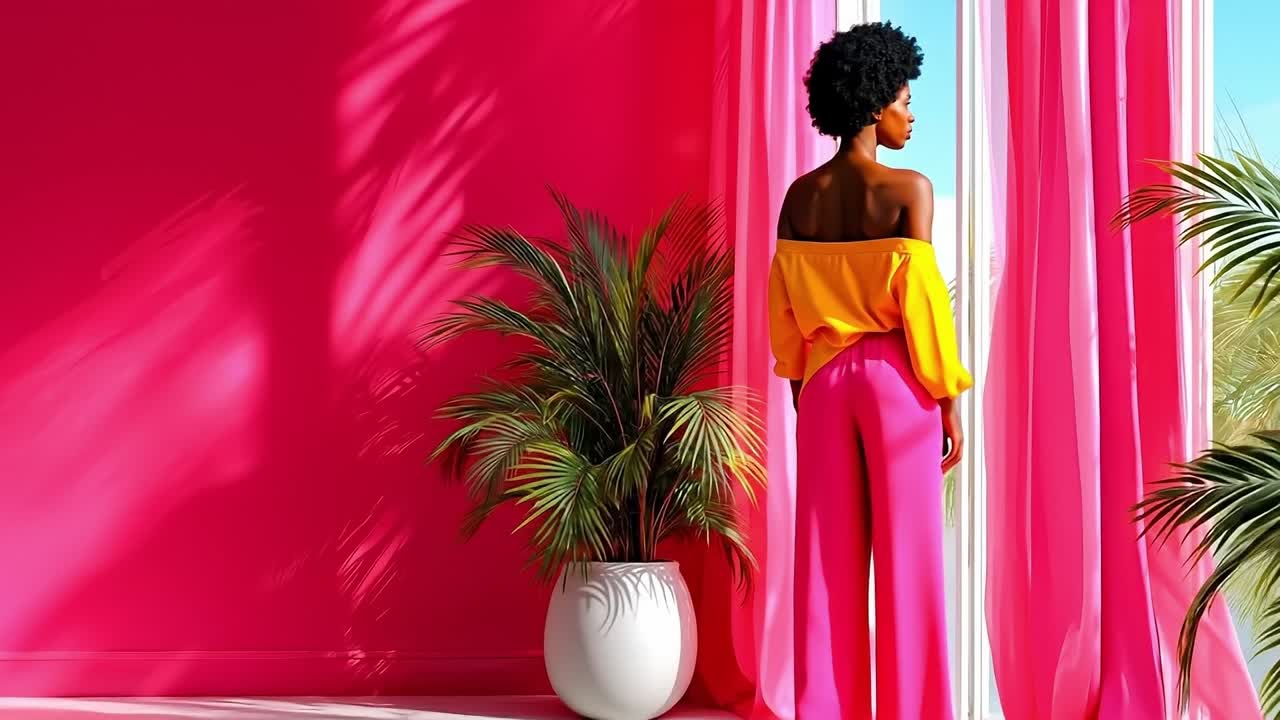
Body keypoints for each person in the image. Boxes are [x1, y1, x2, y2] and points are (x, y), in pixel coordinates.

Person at [768, 22, 973, 719]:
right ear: (873, 101)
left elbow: (785, 313)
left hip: (822, 385)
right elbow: (922, 307)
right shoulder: (908, 190)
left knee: (825, 563)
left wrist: (803, 387)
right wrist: (946, 399)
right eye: (906, 99)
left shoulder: (800, 199)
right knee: (909, 564)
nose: (912, 115)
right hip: (896, 381)